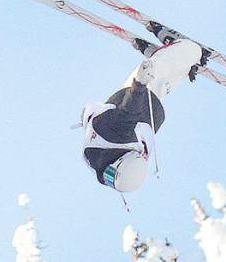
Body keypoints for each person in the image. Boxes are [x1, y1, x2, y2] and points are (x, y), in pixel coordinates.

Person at [79, 25, 207, 193]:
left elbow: (128, 111)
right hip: (148, 113)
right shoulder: (108, 169)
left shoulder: (111, 133)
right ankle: (174, 60)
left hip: (136, 99)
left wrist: (139, 84)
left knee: (192, 50)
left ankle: (175, 47)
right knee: (165, 82)